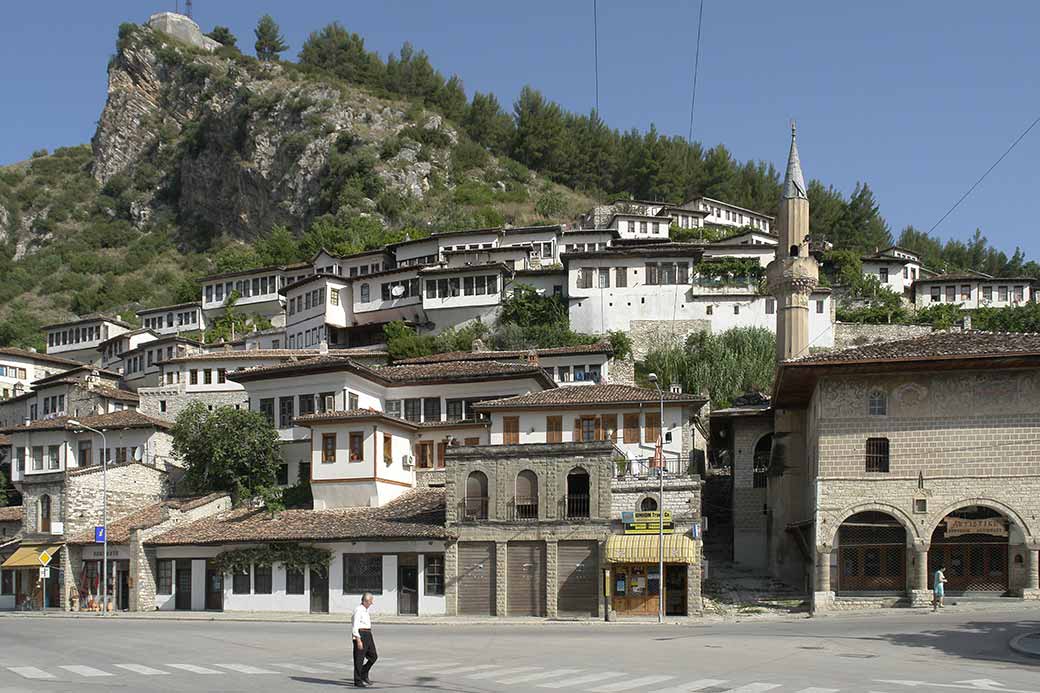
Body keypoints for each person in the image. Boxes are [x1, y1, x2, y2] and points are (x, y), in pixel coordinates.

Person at [352, 592, 378, 687]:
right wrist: (358, 640)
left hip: (368, 634)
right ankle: (357, 680)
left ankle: (364, 672)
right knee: (359, 658)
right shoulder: (358, 610)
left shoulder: (365, 610)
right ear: (366, 601)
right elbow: (355, 626)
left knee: (373, 656)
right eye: (371, 601)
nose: (372, 603)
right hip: (361, 634)